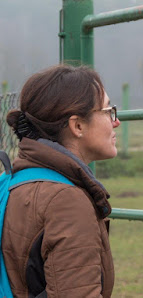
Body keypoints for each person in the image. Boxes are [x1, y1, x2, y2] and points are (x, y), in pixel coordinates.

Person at [3, 64, 120, 297]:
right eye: (108, 111)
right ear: (77, 125)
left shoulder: (12, 183)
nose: (115, 122)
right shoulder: (66, 201)